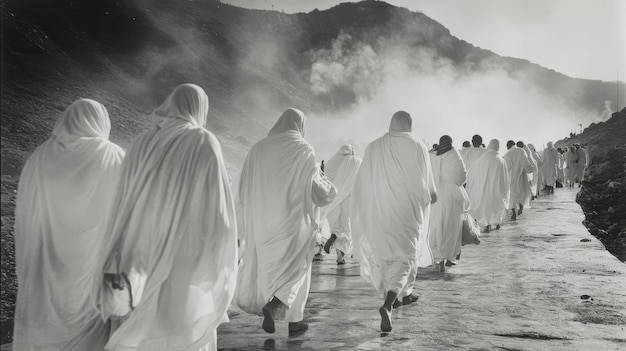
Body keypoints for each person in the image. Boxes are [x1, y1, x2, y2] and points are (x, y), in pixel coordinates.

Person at [93, 84, 238, 351]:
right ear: (198, 108)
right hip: (185, 251)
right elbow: (218, 208)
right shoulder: (204, 141)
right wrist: (225, 251)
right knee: (182, 326)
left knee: (140, 321)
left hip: (138, 247)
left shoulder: (141, 142)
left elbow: (123, 196)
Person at [13, 99, 125, 350]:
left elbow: (26, 214)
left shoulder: (40, 157)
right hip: (94, 274)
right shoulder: (113, 156)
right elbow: (128, 215)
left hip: (45, 274)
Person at [235, 108, 337, 335]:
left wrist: (243, 222)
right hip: (293, 224)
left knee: (272, 267)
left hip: (262, 223)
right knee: (298, 268)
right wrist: (325, 179)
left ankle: (295, 319)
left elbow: (242, 187)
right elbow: (320, 193)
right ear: (300, 125)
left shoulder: (257, 149)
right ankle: (278, 308)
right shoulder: (303, 149)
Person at [351, 111, 436, 332]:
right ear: (409, 124)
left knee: (385, 256)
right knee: (406, 258)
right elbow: (428, 188)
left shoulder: (373, 147)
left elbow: (362, 184)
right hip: (407, 213)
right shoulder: (417, 146)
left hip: (379, 213)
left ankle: (398, 296)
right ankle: (388, 303)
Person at [428, 135, 469, 272]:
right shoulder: (453, 153)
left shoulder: (432, 155)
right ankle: (448, 258)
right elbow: (461, 177)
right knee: (450, 227)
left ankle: (437, 259)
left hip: (435, 194)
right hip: (451, 195)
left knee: (435, 225)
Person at [321, 144, 362, 265]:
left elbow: (325, 178)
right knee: (346, 228)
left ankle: (334, 235)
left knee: (337, 226)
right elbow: (360, 180)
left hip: (333, 200)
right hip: (348, 199)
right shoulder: (356, 162)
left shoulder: (332, 162)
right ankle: (340, 257)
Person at [466, 139, 509, 233]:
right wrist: (505, 189)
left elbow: (472, 173)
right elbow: (505, 177)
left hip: (484, 188)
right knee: (496, 205)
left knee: (486, 205)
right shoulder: (501, 160)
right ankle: (497, 223)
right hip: (497, 188)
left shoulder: (481, 159)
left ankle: (487, 224)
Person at [504, 140, 534, 220]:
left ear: (508, 146)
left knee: (512, 193)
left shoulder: (508, 153)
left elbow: (508, 166)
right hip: (522, 175)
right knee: (522, 191)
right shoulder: (522, 151)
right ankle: (521, 207)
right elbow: (526, 163)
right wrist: (530, 170)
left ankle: (513, 212)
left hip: (512, 176)